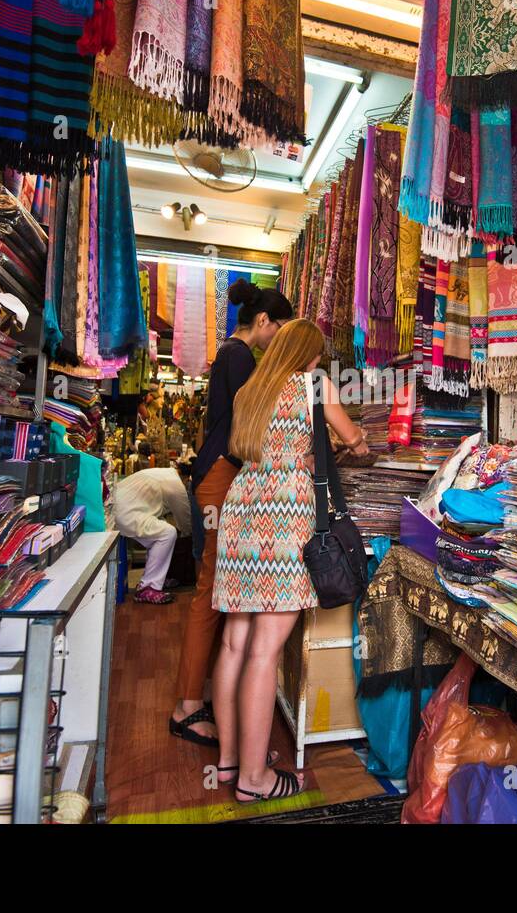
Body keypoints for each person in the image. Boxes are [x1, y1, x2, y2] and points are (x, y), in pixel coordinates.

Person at [209, 319, 369, 801]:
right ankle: (254, 781)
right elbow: (351, 436)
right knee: (265, 648)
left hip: (241, 508)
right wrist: (358, 441)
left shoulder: (250, 390)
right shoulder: (314, 384)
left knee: (236, 642)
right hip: (284, 513)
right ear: (310, 355)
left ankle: (231, 760)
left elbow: (246, 447)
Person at [168, 280, 295, 748]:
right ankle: (186, 705)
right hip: (221, 478)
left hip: (217, 476)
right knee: (210, 592)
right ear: (263, 321)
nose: (278, 339)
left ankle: (199, 696)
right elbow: (252, 423)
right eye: (279, 329)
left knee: (214, 591)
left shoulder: (232, 355)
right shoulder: (241, 358)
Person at [113, 465, 192, 603]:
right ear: (185, 478)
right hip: (125, 513)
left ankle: (156, 578)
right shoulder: (175, 484)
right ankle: (148, 587)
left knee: (159, 531)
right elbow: (184, 518)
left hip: (118, 508)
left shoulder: (161, 473)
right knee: (168, 533)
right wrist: (191, 535)